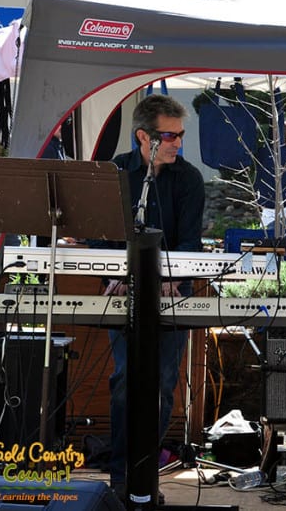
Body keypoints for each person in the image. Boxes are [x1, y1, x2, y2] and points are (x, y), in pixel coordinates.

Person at [104, 94, 206, 500]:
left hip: (171, 295)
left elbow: (190, 244)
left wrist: (168, 277)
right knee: (125, 380)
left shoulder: (189, 178)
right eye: (169, 136)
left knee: (162, 385)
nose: (177, 144)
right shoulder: (115, 173)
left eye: (180, 136)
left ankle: (145, 478)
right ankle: (120, 477)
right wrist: (121, 272)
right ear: (142, 137)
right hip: (122, 294)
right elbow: (102, 236)